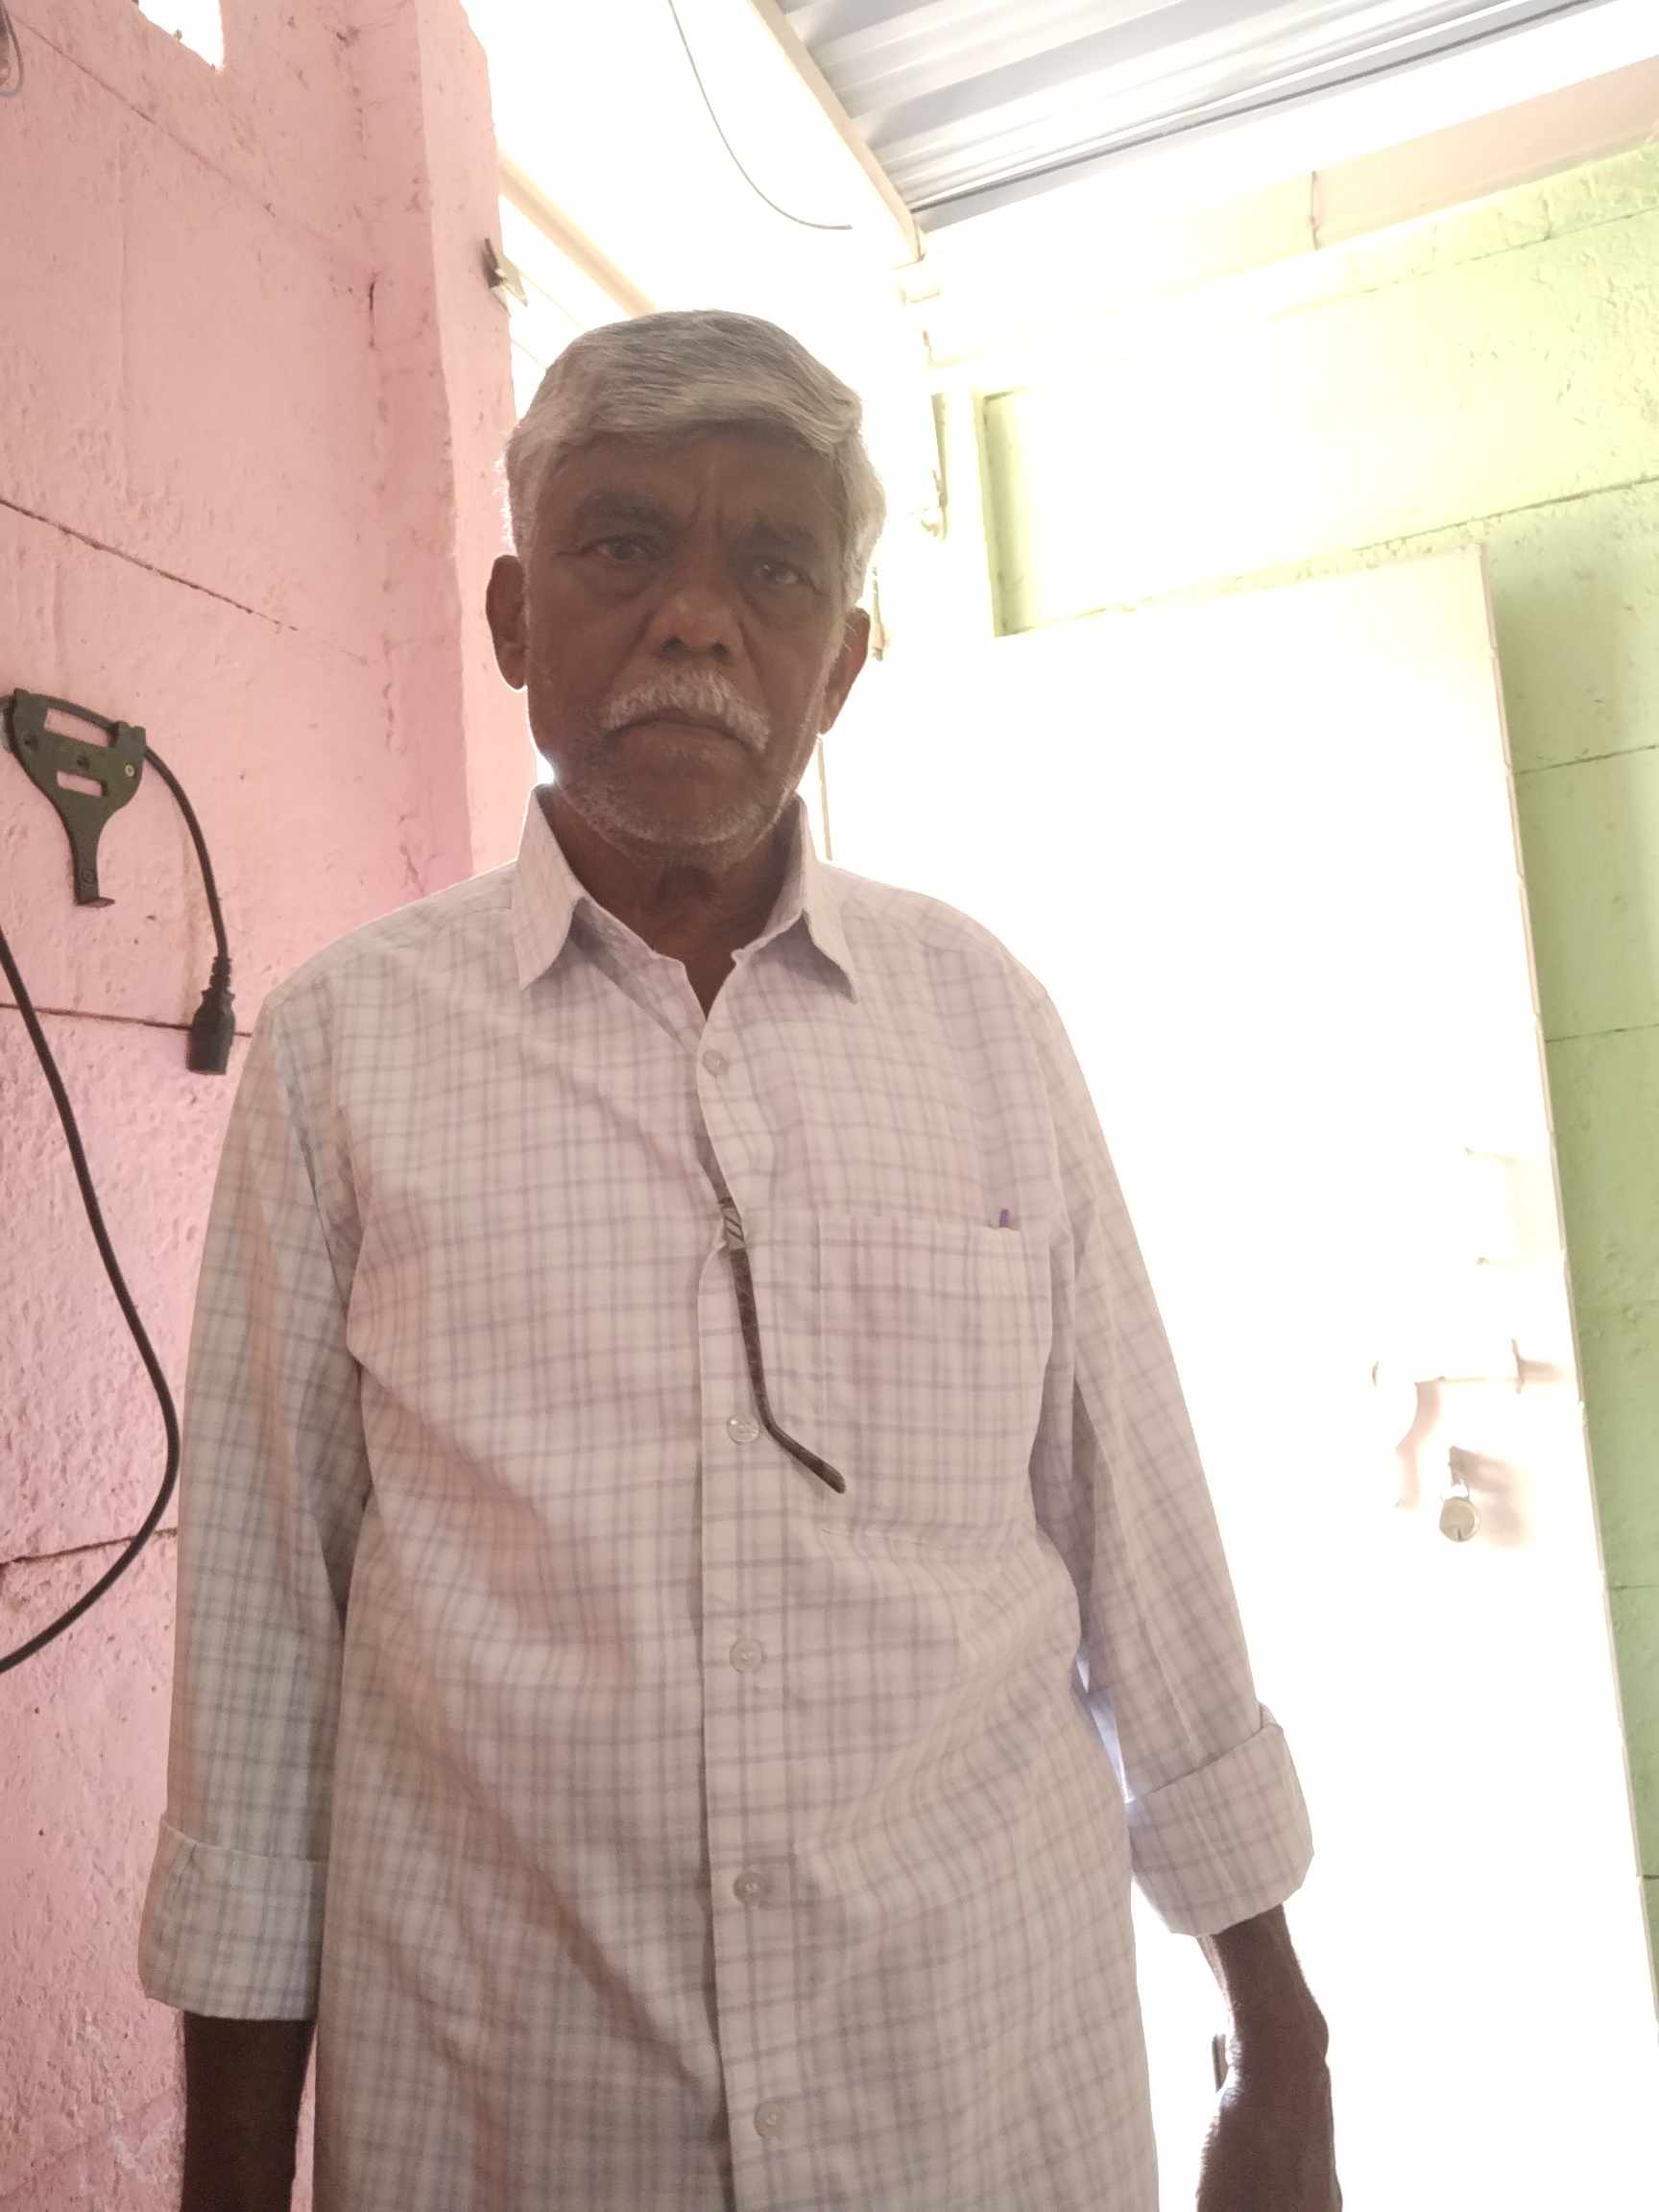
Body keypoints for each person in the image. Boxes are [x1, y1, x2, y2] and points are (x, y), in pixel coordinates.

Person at [139, 310, 1337, 2212]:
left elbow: (1146, 1542)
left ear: (840, 665)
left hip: (985, 2096)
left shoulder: (984, 1019)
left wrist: (1282, 2040)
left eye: (773, 567)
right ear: (515, 618)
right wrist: (226, 2181)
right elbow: (264, 1653)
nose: (695, 618)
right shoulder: (345, 1050)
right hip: (514, 2119)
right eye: (624, 544)